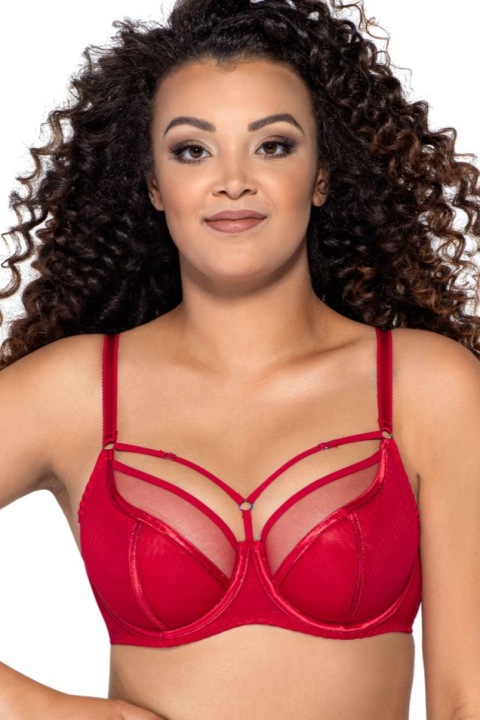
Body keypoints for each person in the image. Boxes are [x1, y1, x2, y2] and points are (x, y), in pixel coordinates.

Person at [1, 0, 480, 717]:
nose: (233, 180)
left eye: (273, 146)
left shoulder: (427, 386)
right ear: (154, 184)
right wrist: (48, 710)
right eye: (192, 150)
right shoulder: (76, 391)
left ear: (322, 174)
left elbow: (466, 697)